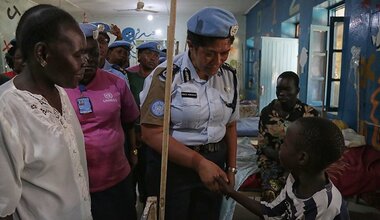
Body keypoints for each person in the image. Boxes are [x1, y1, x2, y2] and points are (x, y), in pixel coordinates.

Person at [139, 7, 240, 220]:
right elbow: (151, 134)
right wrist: (198, 162)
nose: (218, 61)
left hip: (215, 162)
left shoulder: (229, 76)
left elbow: (230, 124)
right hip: (173, 168)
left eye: (224, 53)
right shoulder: (166, 76)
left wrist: (231, 167)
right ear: (191, 46)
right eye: (210, 54)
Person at [0, 4, 92, 220]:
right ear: (42, 53)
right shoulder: (7, 110)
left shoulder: (60, 92)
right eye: (78, 55)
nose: (85, 62)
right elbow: (3, 209)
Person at [65, 23, 140, 220]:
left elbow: (129, 121)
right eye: (80, 54)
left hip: (116, 180)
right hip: (72, 184)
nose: (88, 60)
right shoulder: (57, 87)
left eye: (93, 53)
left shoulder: (117, 82)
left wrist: (133, 152)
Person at [217, 117, 349, 220]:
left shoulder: (322, 205)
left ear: (302, 158)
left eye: (285, 143)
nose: (279, 147)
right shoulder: (295, 179)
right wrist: (231, 192)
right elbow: (272, 213)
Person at [257, 71, 319, 202]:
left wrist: (294, 163)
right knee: (271, 192)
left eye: (287, 89)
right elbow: (263, 145)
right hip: (273, 159)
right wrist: (282, 158)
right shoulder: (267, 112)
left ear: (297, 90)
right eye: (279, 89)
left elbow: (314, 146)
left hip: (300, 163)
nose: (281, 93)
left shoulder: (310, 115)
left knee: (302, 194)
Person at [126, 41, 161, 205]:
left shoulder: (162, 80)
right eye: (148, 53)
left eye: (156, 54)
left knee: (151, 178)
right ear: (139, 56)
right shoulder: (129, 78)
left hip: (154, 136)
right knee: (132, 176)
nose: (153, 57)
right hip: (133, 133)